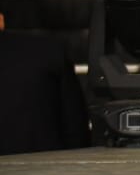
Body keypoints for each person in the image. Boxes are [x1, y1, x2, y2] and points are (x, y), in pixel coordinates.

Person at [0, 10, 90, 154]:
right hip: (45, 168)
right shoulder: (48, 50)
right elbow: (75, 126)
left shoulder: (49, 51)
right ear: (1, 21)